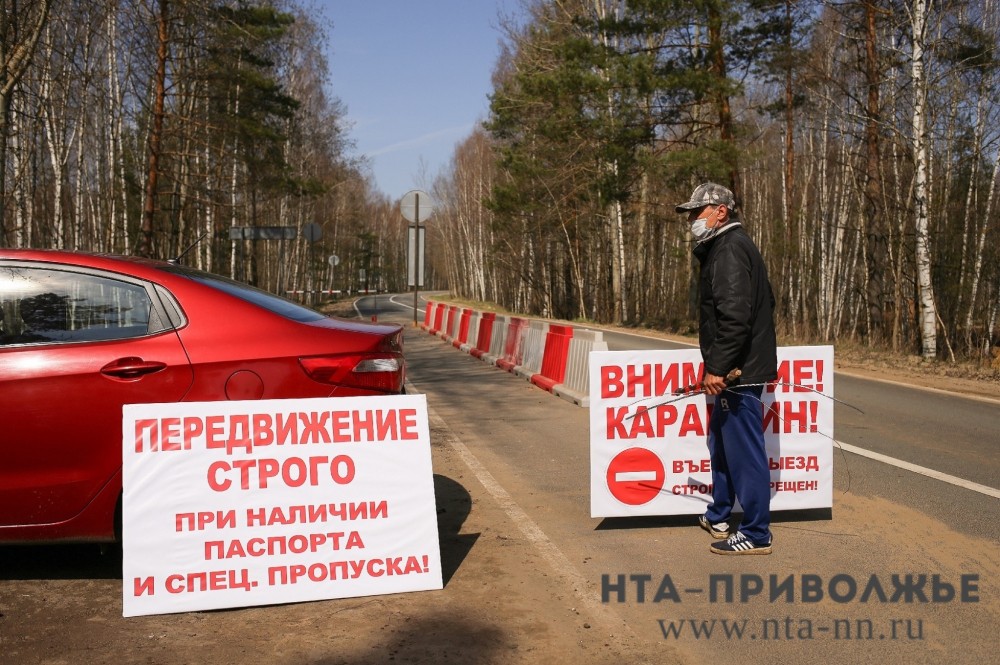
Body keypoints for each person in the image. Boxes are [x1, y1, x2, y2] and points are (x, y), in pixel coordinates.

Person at [675, 182, 778, 555]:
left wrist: (718, 367)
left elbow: (735, 317)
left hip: (738, 372)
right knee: (720, 441)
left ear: (721, 211)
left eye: (697, 212)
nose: (692, 220)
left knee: (744, 451)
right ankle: (719, 513)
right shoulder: (724, 247)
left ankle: (755, 532)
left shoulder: (730, 249)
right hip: (738, 367)